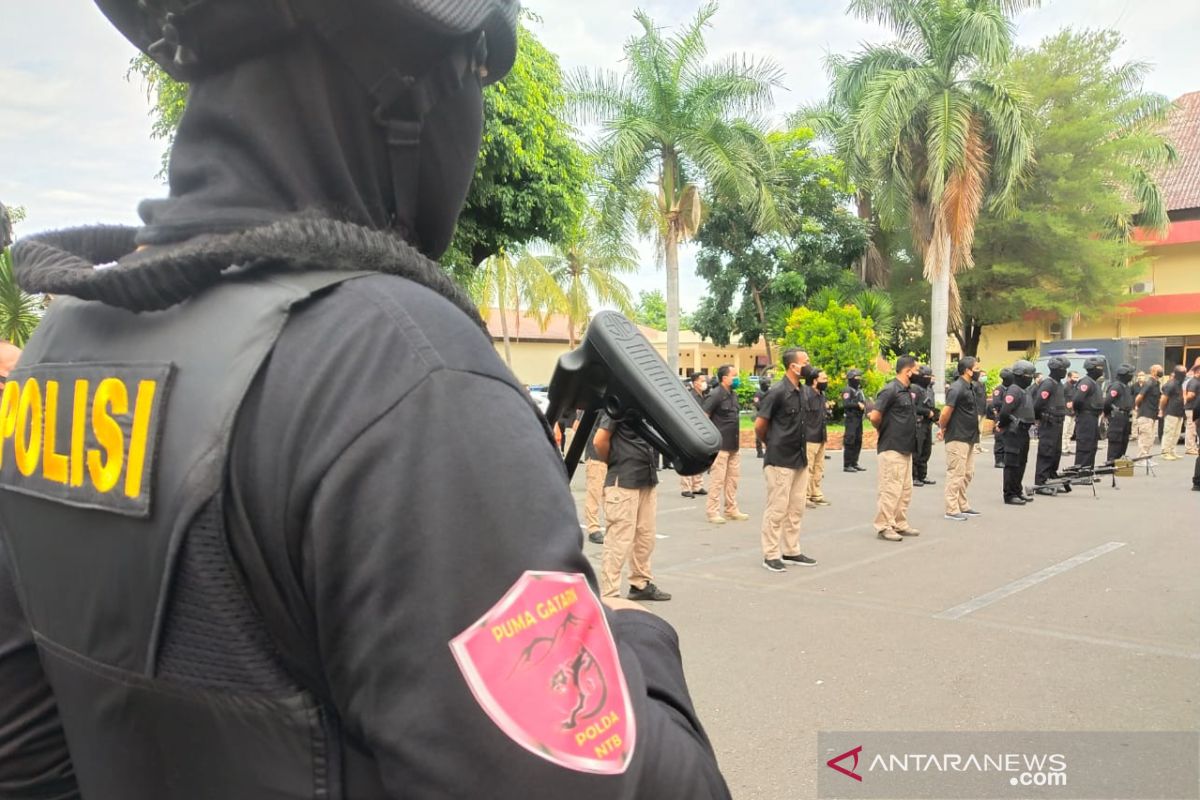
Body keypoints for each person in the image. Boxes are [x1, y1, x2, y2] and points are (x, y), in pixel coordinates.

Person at [0, 3, 732, 797]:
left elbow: (26, 753)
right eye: (480, 73)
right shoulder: (400, 370)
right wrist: (636, 647)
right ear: (408, 90)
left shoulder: (59, 349)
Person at [594, 415, 671, 603]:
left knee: (646, 536)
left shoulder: (646, 405)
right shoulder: (617, 403)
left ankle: (640, 584)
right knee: (619, 540)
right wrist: (616, 462)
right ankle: (609, 594)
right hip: (624, 480)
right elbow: (599, 441)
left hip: (646, 479)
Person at [754, 348, 817, 572]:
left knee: (796, 508)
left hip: (799, 458)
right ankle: (770, 554)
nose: (809, 365)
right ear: (793, 366)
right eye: (806, 361)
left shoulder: (802, 391)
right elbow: (760, 425)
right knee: (777, 509)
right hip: (780, 459)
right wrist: (771, 443)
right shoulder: (777, 392)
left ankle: (792, 550)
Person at [868, 355, 921, 541]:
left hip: (906, 447)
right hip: (892, 446)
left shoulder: (907, 391)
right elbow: (874, 416)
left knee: (905, 490)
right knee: (890, 489)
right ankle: (884, 525)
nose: (919, 374)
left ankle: (899, 522)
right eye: (917, 370)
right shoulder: (890, 390)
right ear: (908, 371)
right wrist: (884, 430)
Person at [702, 366, 749, 524]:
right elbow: (704, 418)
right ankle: (712, 511)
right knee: (717, 480)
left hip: (733, 445)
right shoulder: (715, 395)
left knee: (732, 480)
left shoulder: (733, 395)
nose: (737, 379)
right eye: (734, 376)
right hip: (720, 446)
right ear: (724, 378)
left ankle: (731, 509)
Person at [939, 357, 981, 520]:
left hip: (969, 437)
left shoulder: (969, 387)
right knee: (956, 473)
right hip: (957, 436)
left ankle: (962, 505)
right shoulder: (956, 388)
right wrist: (942, 428)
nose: (979, 371)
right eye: (976, 368)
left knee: (967, 473)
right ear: (967, 370)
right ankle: (951, 508)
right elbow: (945, 412)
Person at [996, 360, 1037, 505]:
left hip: (1023, 431)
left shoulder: (1024, 390)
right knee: (1012, 464)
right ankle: (1009, 494)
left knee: (1021, 463)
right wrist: (1002, 426)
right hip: (1014, 432)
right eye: (1028, 375)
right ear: (1019, 375)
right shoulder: (1013, 390)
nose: (1030, 378)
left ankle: (1017, 490)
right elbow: (1005, 412)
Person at [1031, 356, 1070, 496]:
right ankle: (1041, 483)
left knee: (1056, 452)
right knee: (1046, 452)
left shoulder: (1059, 384)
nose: (1065, 372)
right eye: (1063, 369)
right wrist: (1037, 419)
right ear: (1055, 370)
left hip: (1058, 422)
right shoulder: (1048, 384)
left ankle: (1051, 478)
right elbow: (1038, 403)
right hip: (1049, 422)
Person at [803, 368, 832, 507]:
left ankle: (816, 493)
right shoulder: (805, 394)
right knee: (807, 468)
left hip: (820, 436)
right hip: (809, 436)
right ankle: (805, 496)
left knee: (819, 467)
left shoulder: (821, 394)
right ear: (815, 380)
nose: (826, 382)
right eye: (824, 379)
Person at [1072, 357, 1106, 471]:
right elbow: (1077, 400)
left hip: (1092, 417)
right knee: (1085, 444)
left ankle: (1088, 469)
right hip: (1086, 417)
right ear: (1092, 369)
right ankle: (1081, 469)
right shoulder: (1086, 382)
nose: (1101, 370)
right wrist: (1081, 412)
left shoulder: (1093, 382)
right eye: (1099, 368)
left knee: (1092, 444)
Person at [681, 373, 708, 497]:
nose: (704, 383)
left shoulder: (704, 396)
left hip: (701, 431)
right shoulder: (690, 396)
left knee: (700, 458)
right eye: (702, 380)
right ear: (695, 382)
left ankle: (697, 485)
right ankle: (686, 487)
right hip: (690, 430)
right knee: (688, 458)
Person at [911, 365, 938, 487]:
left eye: (930, 376)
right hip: (918, 422)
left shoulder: (929, 389)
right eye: (926, 376)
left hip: (928, 423)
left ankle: (923, 475)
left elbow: (931, 406)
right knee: (917, 450)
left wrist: (935, 416)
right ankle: (914, 476)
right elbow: (912, 407)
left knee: (927, 450)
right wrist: (926, 412)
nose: (928, 379)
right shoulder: (914, 388)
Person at [1104, 363, 1136, 463]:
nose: (1132, 376)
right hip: (1117, 417)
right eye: (1130, 374)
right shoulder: (1116, 386)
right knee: (1115, 440)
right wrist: (1108, 414)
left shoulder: (1126, 386)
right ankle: (1111, 462)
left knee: (1124, 440)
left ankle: (1119, 461)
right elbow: (1107, 402)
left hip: (1125, 417)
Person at [1135, 364, 1164, 462]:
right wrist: (1138, 407)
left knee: (1150, 438)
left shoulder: (1157, 383)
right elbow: (1139, 397)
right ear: (1153, 371)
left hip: (1152, 415)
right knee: (1145, 437)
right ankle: (1142, 458)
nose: (1161, 372)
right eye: (1159, 370)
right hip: (1145, 414)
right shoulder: (1149, 383)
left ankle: (1145, 456)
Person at [584, 428, 608, 545]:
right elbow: (577, 425)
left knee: (608, 494)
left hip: (608, 456)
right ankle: (593, 529)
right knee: (594, 493)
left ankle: (609, 526)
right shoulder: (597, 409)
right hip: (595, 457)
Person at [1159, 365, 1188, 461]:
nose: (1185, 374)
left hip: (1179, 412)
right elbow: (1163, 399)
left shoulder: (1179, 384)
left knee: (1176, 434)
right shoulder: (1171, 384)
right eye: (1183, 372)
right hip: (1171, 412)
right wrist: (1162, 410)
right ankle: (1165, 452)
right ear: (1178, 373)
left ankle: (1172, 450)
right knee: (1169, 433)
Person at [842, 368, 867, 472]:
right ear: (851, 378)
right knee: (850, 440)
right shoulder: (847, 390)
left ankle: (854, 462)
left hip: (858, 418)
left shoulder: (859, 391)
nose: (859, 379)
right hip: (851, 418)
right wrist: (857, 405)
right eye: (857, 377)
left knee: (858, 440)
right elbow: (846, 404)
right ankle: (847, 464)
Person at [989, 368, 1013, 468]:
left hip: (1010, 416)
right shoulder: (999, 389)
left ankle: (1007, 459)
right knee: (1000, 439)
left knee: (1009, 439)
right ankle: (999, 460)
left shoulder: (1012, 388)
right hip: (1000, 416)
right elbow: (996, 403)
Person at [753, 377, 772, 458]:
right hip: (760, 414)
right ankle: (759, 451)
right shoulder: (758, 393)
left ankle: (769, 450)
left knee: (770, 434)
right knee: (758, 435)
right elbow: (757, 404)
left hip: (769, 415)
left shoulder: (770, 392)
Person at [1061, 371, 1080, 456]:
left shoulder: (1075, 387)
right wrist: (1066, 404)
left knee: (1070, 433)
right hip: (1066, 413)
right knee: (1064, 432)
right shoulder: (1064, 387)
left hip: (1072, 412)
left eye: (1077, 377)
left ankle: (1067, 448)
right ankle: (1063, 449)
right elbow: (1060, 399)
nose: (1076, 379)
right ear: (1068, 377)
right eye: (1074, 377)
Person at [1184, 364, 1200, 456]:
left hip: (1195, 409)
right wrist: (1192, 397)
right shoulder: (1194, 382)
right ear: (1198, 372)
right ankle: (1190, 448)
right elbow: (1190, 395)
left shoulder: (1197, 381)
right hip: (1191, 408)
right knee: (1191, 429)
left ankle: (1193, 446)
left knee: (1195, 428)